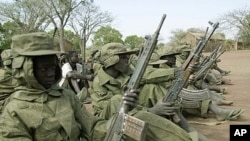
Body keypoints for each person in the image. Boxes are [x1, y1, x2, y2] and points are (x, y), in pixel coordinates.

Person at [0, 32, 192, 141]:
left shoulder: (65, 96)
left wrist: (121, 118)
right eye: (43, 69)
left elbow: (93, 128)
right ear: (26, 70)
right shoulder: (14, 109)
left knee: (137, 118)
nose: (51, 73)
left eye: (53, 67)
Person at [92, 42, 208, 141]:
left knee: (151, 87)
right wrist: (152, 111)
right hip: (109, 119)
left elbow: (148, 74)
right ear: (112, 60)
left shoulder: (126, 72)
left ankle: (183, 125)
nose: (127, 60)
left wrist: (178, 71)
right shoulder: (98, 82)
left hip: (132, 109)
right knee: (117, 99)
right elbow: (110, 110)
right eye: (123, 57)